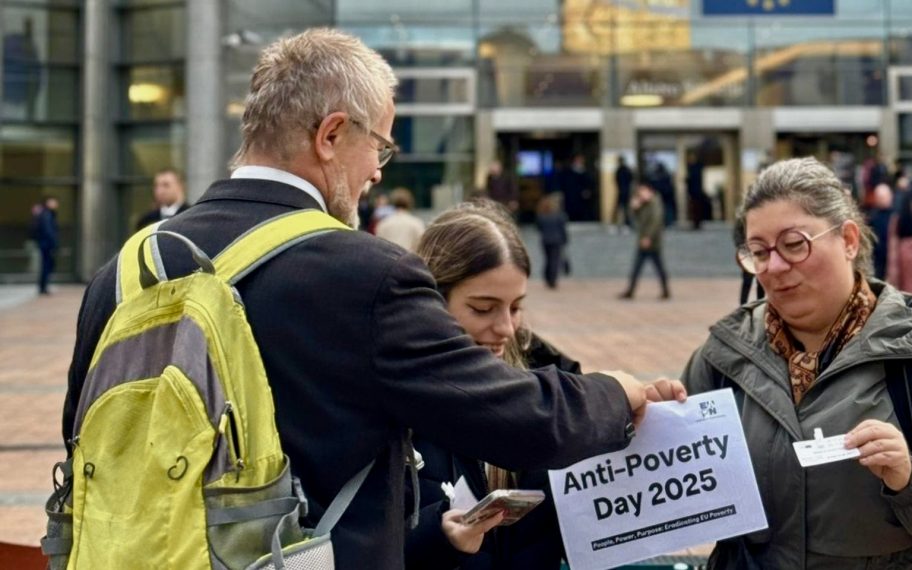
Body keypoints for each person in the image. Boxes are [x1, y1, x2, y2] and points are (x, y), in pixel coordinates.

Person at [61, 28, 683, 569]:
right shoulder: (365, 274)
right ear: (331, 135)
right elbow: (514, 418)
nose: (378, 171)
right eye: (380, 146)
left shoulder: (125, 268)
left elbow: (80, 434)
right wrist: (615, 393)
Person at [682, 157, 912, 569]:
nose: (773, 268)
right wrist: (648, 424)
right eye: (758, 252)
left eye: (794, 244)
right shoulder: (723, 356)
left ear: (847, 239)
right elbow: (672, 498)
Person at [406, 200, 596, 569]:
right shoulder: (389, 403)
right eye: (482, 308)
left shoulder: (553, 389)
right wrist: (438, 536)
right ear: (431, 301)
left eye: (516, 307)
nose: (506, 329)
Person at [619, 180, 670, 300]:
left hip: (653, 242)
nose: (640, 194)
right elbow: (635, 222)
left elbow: (656, 222)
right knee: (636, 267)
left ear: (649, 191)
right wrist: (634, 208)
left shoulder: (655, 202)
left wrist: (648, 237)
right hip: (642, 241)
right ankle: (630, 291)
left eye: (642, 191)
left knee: (659, 267)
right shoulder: (643, 204)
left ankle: (665, 290)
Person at [374, 187, 426, 251]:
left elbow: (378, 246)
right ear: (410, 203)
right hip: (409, 259)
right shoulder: (416, 223)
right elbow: (421, 245)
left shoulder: (383, 223)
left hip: (388, 259)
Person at [535, 193, 569, 289]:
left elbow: (539, 228)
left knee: (547, 259)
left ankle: (547, 278)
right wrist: (565, 240)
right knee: (555, 260)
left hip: (545, 240)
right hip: (557, 240)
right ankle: (552, 280)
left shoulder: (541, 216)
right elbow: (563, 229)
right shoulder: (560, 216)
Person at [32, 196, 59, 295]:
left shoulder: (47, 214)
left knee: (46, 265)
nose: (56, 204)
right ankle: (43, 287)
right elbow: (48, 231)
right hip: (46, 244)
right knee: (46, 266)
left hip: (45, 244)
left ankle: (43, 286)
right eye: (54, 202)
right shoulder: (47, 214)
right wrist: (54, 243)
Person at [866, 183, 893, 281]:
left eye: (884, 197)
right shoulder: (872, 215)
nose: (882, 199)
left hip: (893, 253)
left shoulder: (896, 214)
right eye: (879, 197)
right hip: (878, 255)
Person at [685, 152, 708, 230]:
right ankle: (695, 223)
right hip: (693, 192)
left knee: (697, 209)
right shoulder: (691, 168)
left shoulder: (697, 167)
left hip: (697, 192)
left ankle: (697, 223)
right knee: (694, 209)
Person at [612, 155, 633, 231]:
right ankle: (626, 224)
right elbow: (631, 178)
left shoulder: (620, 170)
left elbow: (616, 180)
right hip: (625, 191)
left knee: (621, 208)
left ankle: (620, 223)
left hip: (622, 191)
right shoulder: (626, 169)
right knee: (625, 208)